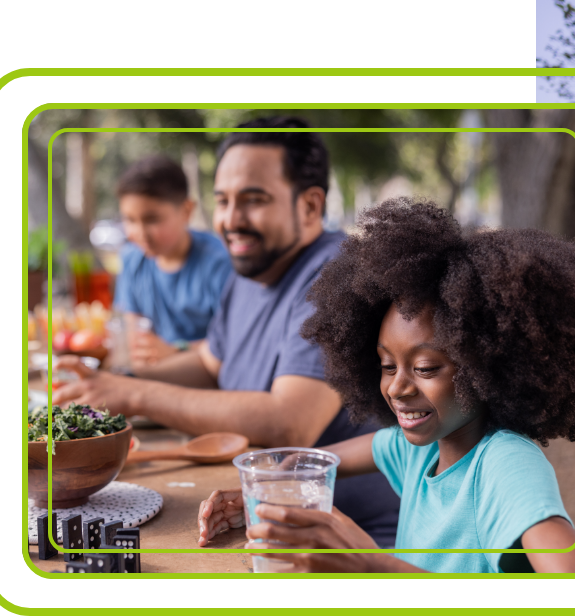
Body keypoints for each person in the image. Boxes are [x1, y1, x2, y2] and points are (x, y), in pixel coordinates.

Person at [196, 198, 575, 573]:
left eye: (426, 368)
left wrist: (372, 565)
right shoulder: (420, 448)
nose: (396, 388)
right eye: (387, 365)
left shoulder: (505, 465)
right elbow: (314, 463)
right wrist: (261, 490)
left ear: (492, 365)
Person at [54, 117, 401, 545]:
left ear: (310, 206)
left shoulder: (335, 276)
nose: (230, 220)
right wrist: (118, 381)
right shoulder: (252, 270)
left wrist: (133, 395)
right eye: (222, 200)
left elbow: (290, 422)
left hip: (351, 540)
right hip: (260, 516)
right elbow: (209, 361)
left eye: (253, 200)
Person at [113, 155, 233, 370]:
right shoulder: (132, 259)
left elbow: (235, 344)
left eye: (152, 219)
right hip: (154, 371)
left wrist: (176, 350)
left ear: (186, 211)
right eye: (130, 220)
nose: (140, 233)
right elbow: (133, 330)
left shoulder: (220, 265)